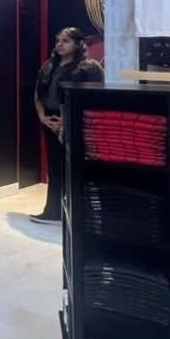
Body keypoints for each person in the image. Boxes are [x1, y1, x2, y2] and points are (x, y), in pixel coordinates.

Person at [32, 26, 104, 225]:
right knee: (55, 167)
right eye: (58, 40)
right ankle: (53, 211)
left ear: (78, 44)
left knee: (76, 168)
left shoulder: (90, 67)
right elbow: (38, 93)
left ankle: (81, 215)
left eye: (65, 41)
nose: (60, 44)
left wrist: (68, 119)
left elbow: (95, 98)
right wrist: (42, 117)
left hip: (76, 121)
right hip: (51, 120)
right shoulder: (49, 65)